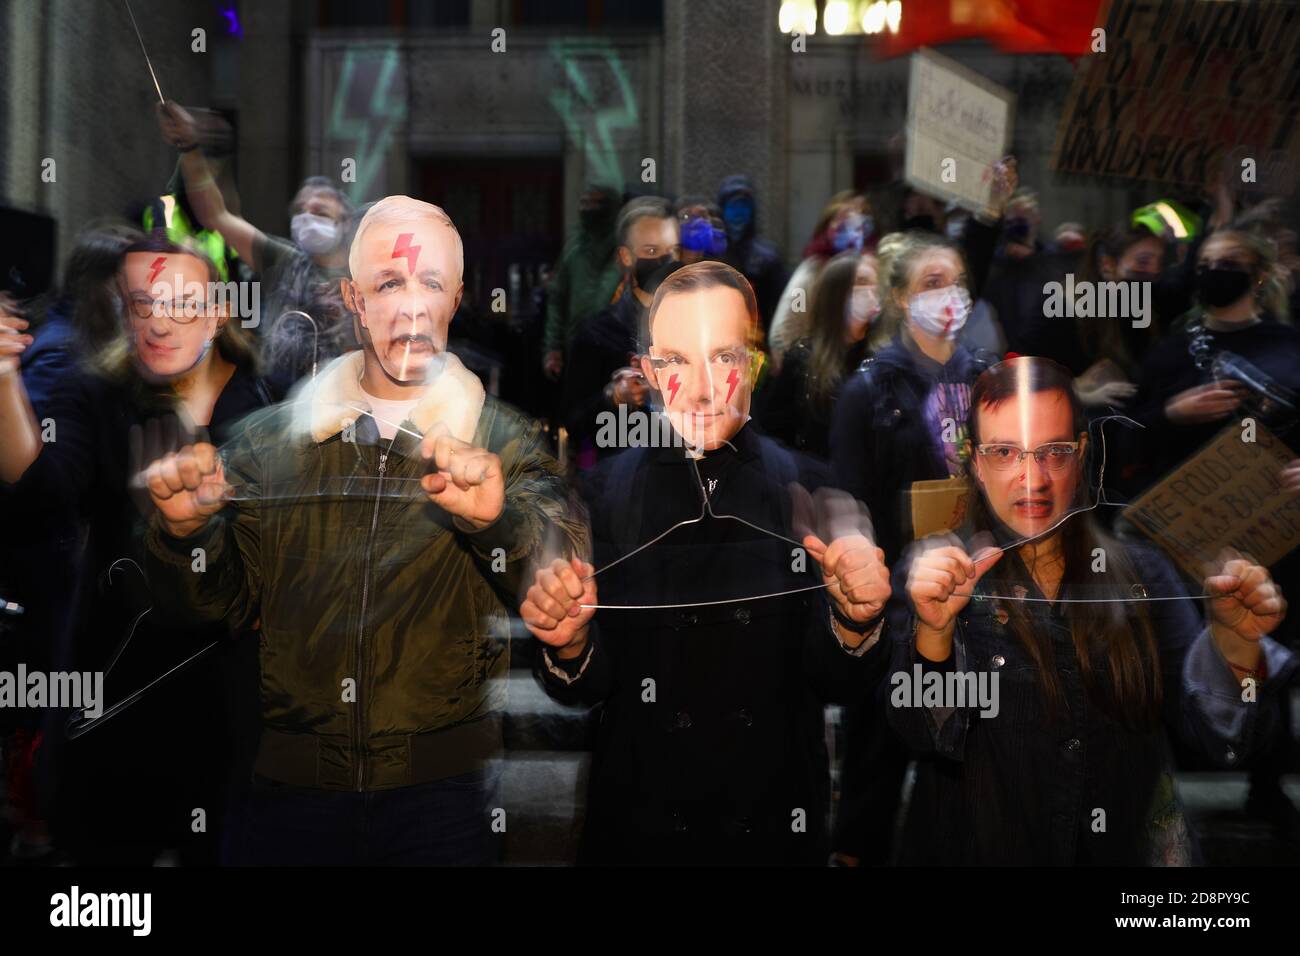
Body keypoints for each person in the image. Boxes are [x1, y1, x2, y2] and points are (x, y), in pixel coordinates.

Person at [138, 196, 586, 865]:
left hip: (440, 795)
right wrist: (185, 539)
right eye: (387, 283)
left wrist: (496, 521)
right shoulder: (270, 443)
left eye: (430, 282)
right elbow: (209, 606)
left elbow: (555, 571)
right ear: (352, 296)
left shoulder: (503, 440)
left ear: (458, 295)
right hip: (292, 794)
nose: (410, 307)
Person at [523, 261, 893, 865]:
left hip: (772, 825)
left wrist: (856, 622)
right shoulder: (597, 497)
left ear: (754, 361)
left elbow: (840, 683)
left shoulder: (815, 490)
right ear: (645, 371)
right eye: (675, 362)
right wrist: (568, 646)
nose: (701, 389)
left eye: (723, 357)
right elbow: (587, 689)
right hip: (640, 826)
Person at [888, 356, 1295, 865]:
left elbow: (1217, 742)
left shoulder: (1141, 574)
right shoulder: (937, 572)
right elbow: (921, 734)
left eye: (1053, 452)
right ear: (975, 461)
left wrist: (1234, 648)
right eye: (1005, 452)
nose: (1031, 478)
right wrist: (934, 635)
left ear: (1081, 454)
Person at [0, 231, 270, 864]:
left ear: (218, 309)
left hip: (222, 691)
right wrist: (4, 378)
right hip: (115, 682)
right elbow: (41, 492)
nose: (157, 322)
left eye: (180, 303)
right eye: (142, 302)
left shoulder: (258, 398)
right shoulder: (95, 391)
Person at [156, 100, 357, 399]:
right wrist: (189, 147)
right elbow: (216, 215)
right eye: (300, 210)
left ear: (345, 224)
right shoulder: (285, 260)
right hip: (274, 405)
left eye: (320, 212)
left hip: (340, 406)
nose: (307, 217)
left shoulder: (365, 274)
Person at [562, 196, 680, 468]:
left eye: (672, 251)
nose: (665, 260)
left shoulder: (701, 326)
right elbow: (573, 421)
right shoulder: (598, 333)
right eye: (651, 251)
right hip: (623, 484)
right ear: (626, 257)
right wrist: (613, 397)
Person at [757, 251, 880, 457]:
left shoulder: (880, 359)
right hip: (814, 477)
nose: (870, 292)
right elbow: (773, 432)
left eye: (874, 284)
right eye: (861, 282)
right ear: (836, 294)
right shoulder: (802, 359)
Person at [768, 192, 868, 370]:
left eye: (858, 223)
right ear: (827, 227)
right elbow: (785, 329)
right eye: (843, 223)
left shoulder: (864, 269)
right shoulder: (809, 274)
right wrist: (796, 372)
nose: (852, 230)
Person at [541, 185, 622, 383]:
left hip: (617, 349)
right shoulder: (574, 250)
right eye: (585, 203)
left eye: (596, 203)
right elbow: (557, 300)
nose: (589, 209)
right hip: (576, 346)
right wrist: (553, 348)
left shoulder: (626, 251)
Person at [717, 174, 788, 330]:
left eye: (744, 206)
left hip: (757, 342)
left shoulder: (768, 256)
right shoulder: (710, 253)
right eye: (733, 206)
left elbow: (782, 307)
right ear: (722, 209)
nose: (739, 213)